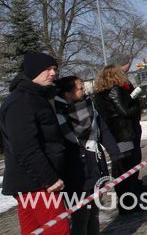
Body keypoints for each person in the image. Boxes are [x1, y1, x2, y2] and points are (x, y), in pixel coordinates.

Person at [0, 53, 69, 235]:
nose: (53, 73)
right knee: (58, 230)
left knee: (34, 230)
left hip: (35, 183)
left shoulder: (36, 97)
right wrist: (49, 179)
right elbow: (24, 147)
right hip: (36, 184)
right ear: (33, 72)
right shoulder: (21, 102)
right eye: (47, 69)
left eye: (54, 69)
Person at [54, 76, 120, 235]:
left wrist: (115, 153)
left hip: (95, 165)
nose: (85, 90)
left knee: (94, 212)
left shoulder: (90, 106)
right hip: (76, 173)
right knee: (81, 216)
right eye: (80, 88)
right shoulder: (56, 114)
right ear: (68, 94)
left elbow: (102, 130)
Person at [92, 65, 143, 214]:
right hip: (124, 133)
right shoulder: (115, 90)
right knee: (129, 170)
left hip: (113, 135)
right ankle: (130, 204)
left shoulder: (98, 94)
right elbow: (125, 112)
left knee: (121, 172)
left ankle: (126, 203)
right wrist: (135, 103)